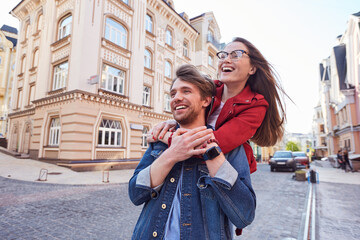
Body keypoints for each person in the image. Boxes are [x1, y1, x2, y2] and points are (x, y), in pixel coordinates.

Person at [128, 64, 256, 239]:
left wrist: (211, 153)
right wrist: (171, 154)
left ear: (205, 100)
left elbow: (244, 215)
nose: (176, 98)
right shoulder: (160, 141)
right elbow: (135, 195)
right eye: (173, 94)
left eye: (186, 91)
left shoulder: (229, 146)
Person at [150, 37, 286, 174]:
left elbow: (214, 145)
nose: (226, 60)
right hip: (189, 167)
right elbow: (192, 115)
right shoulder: (210, 88)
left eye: (236, 55)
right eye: (223, 55)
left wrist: (163, 137)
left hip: (226, 169)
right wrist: (173, 122)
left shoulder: (256, 105)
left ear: (252, 68)